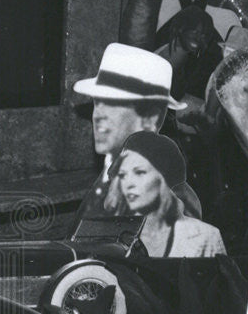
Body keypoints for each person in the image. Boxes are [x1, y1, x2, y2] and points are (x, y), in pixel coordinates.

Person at [71, 42, 203, 231]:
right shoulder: (110, 175)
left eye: (111, 104)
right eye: (97, 102)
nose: (97, 115)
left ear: (152, 118)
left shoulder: (172, 197)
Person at [108, 131, 225, 257]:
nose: (129, 183)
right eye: (123, 174)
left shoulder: (205, 237)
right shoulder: (110, 236)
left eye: (140, 172)